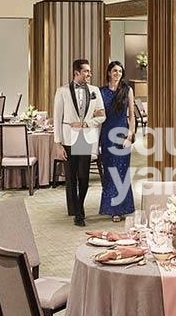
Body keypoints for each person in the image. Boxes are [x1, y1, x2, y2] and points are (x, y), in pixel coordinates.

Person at [54, 59, 106, 226]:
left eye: (89, 71)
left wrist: (86, 124)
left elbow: (102, 116)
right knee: (71, 178)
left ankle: (79, 207)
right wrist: (58, 143)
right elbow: (57, 118)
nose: (90, 74)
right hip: (68, 138)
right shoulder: (62, 91)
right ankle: (77, 211)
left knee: (83, 177)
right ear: (76, 72)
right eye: (86, 71)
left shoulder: (94, 91)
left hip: (84, 137)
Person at [98, 61, 136, 222]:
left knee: (121, 172)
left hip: (122, 135)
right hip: (106, 136)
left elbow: (132, 116)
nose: (117, 74)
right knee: (109, 172)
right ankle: (111, 208)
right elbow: (98, 116)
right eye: (114, 71)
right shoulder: (101, 91)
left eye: (120, 71)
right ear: (109, 73)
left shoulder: (127, 90)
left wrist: (130, 137)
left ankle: (120, 209)